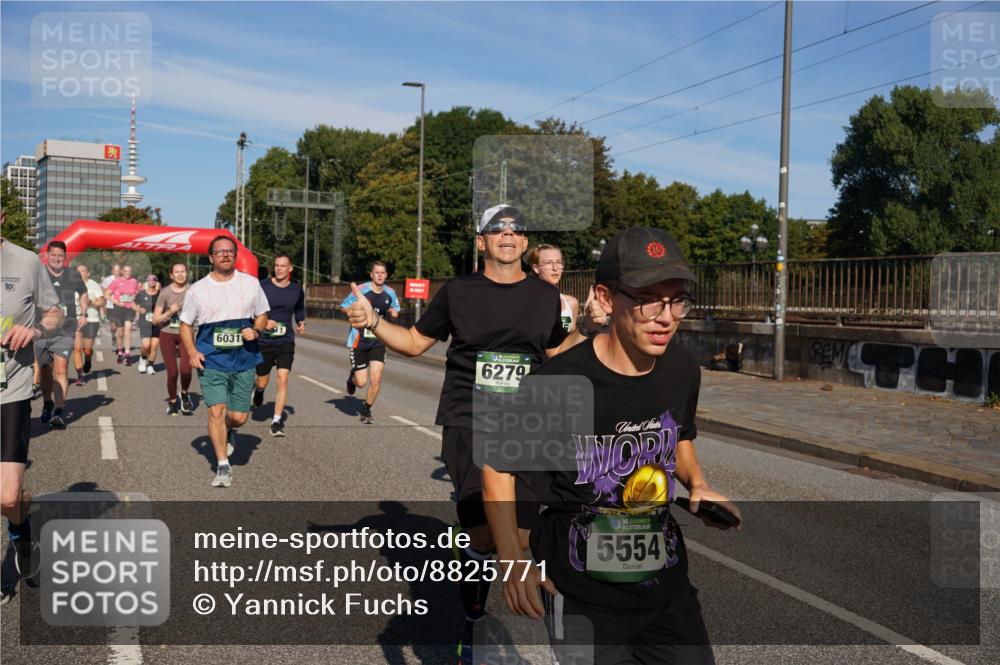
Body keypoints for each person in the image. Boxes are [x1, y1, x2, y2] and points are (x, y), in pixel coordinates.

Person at [483, 227, 740, 665]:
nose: (666, 317)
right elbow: (497, 468)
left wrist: (697, 483)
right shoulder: (559, 382)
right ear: (605, 298)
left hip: (666, 588)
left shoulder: (681, 370)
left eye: (676, 299)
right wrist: (513, 560)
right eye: (648, 300)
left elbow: (679, 435)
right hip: (582, 594)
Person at [346, 204, 588, 663]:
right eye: (497, 229)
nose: (508, 235)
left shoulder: (545, 297)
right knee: (482, 532)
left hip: (531, 422)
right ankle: (473, 621)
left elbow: (560, 351)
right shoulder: (458, 292)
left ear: (525, 244)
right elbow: (416, 343)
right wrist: (373, 322)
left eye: (517, 229)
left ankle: (534, 606)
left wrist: (599, 333)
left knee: (520, 531)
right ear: (481, 241)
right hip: (469, 417)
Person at [2, 217, 63, 603]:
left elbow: (54, 314)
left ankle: (22, 534)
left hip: (11, 388)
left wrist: (36, 331)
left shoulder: (25, 261)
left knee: (8, 499)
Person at [180, 236, 269, 487]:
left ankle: (230, 429)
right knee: (216, 410)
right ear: (211, 258)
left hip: (244, 357)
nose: (226, 255)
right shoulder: (197, 289)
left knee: (239, 417)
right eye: (220, 252)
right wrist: (191, 352)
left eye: (230, 251)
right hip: (212, 359)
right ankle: (222, 466)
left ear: (235, 255)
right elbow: (186, 325)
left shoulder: (251, 284)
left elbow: (262, 314)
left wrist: (257, 330)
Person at [339, 260, 399, 424]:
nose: (380, 275)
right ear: (371, 275)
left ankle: (366, 410)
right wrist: (353, 310)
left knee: (377, 377)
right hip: (359, 340)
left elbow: (395, 310)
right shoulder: (361, 290)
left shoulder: (390, 293)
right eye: (376, 272)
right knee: (361, 382)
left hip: (379, 340)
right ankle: (352, 377)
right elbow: (343, 306)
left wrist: (394, 313)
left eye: (382, 272)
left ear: (386, 275)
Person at [36, 241, 88, 429]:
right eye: (54, 255)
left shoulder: (73, 275)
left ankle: (58, 411)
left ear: (64, 257)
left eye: (60, 255)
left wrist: (83, 313)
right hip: (42, 329)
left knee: (61, 367)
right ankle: (47, 403)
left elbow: (83, 293)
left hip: (66, 329)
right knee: (44, 370)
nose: (57, 258)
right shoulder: (38, 274)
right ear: (47, 256)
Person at [252, 254, 305, 437]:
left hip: (285, 341)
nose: (279, 269)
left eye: (283, 266)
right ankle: (258, 391)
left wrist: (300, 321)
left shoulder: (296, 290)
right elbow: (251, 308)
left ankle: (276, 422)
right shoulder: (263, 286)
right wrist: (263, 322)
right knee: (262, 380)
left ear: (290, 268)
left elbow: (299, 307)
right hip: (264, 341)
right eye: (277, 266)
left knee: (283, 379)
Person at [154, 262, 193, 416]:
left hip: (188, 333)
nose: (180, 274)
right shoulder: (165, 293)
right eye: (176, 272)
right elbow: (156, 320)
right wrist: (170, 311)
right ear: (171, 275)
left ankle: (184, 393)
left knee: (186, 370)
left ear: (187, 273)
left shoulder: (194, 291)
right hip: (168, 333)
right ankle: (172, 401)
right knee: (172, 373)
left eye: (183, 271)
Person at [528, 244, 579, 333]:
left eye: (559, 262)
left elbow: (572, 339)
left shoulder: (571, 303)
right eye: (548, 263)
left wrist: (590, 327)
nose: (555, 268)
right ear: (536, 268)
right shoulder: (526, 301)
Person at [73, 264, 105, 385]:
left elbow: (102, 300)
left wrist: (90, 301)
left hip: (91, 319)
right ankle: (80, 376)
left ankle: (88, 359)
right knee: (77, 349)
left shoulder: (93, 284)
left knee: (87, 349)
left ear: (88, 273)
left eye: (83, 271)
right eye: (78, 271)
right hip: (76, 319)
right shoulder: (71, 284)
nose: (80, 273)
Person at [106, 264, 139, 365]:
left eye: (129, 271)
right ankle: (120, 352)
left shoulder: (134, 282)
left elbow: (137, 294)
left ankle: (128, 355)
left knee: (127, 331)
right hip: (118, 309)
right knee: (120, 334)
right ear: (122, 272)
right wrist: (116, 302)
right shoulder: (116, 281)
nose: (128, 273)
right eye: (126, 271)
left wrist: (135, 297)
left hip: (129, 309)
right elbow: (106, 294)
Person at [134, 274, 161, 375]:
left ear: (156, 282)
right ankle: (143, 358)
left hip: (157, 323)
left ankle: (150, 365)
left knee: (154, 347)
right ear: (147, 282)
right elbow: (133, 304)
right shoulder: (141, 294)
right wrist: (139, 309)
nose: (152, 281)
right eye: (149, 279)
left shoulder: (160, 294)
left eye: (154, 279)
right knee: (146, 345)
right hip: (145, 323)